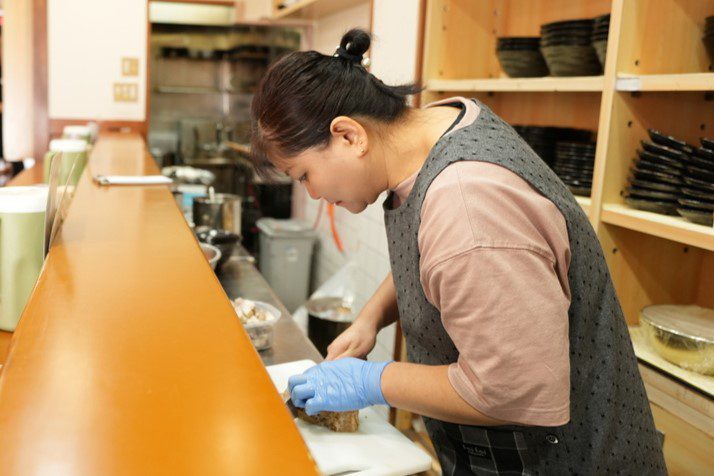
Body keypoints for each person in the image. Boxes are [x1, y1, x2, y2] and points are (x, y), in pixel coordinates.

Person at [250, 28, 666, 475]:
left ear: (349, 136)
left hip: (573, 460)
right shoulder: (430, 130)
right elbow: (440, 254)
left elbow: (513, 391)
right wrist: (370, 318)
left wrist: (374, 381)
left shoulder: (470, 202)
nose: (312, 194)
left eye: (304, 175)